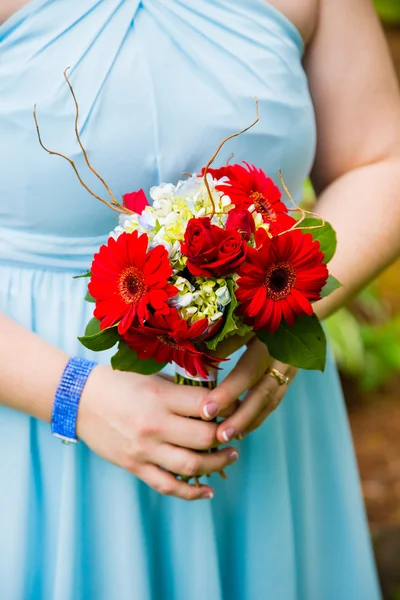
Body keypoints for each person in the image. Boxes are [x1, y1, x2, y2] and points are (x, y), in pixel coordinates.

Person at [1, 0, 398, 598]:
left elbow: (381, 159)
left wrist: (285, 311)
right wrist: (72, 396)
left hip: (262, 421)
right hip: (35, 415)